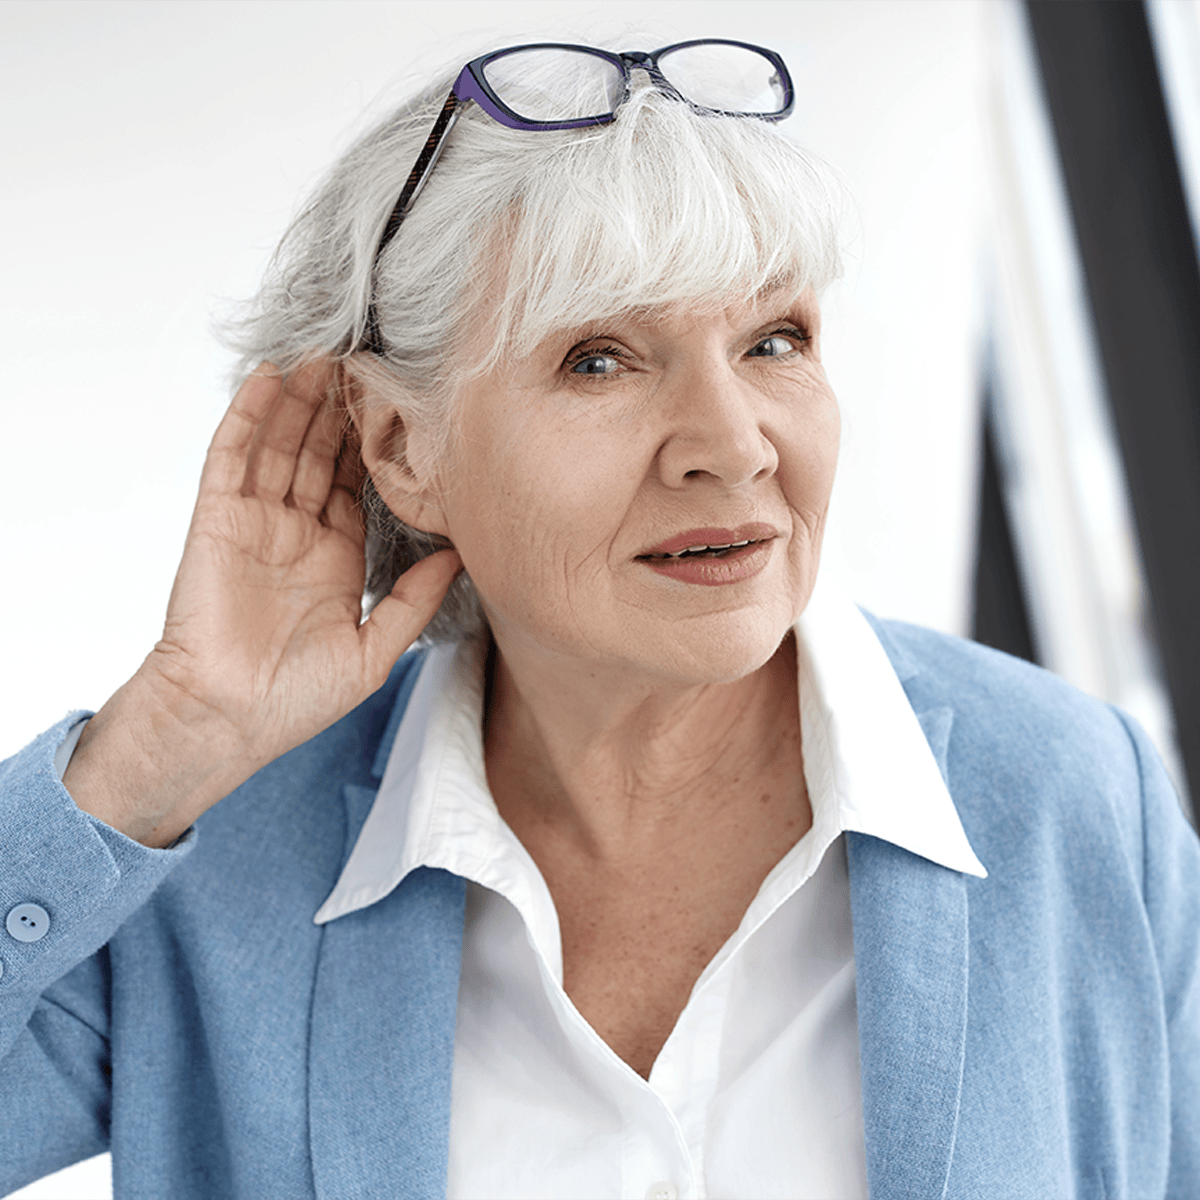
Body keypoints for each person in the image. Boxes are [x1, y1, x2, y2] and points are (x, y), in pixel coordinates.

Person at [1, 37, 1197, 1200]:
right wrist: (167, 737)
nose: (732, 446)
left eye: (773, 340)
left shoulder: (1073, 797)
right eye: (600, 360)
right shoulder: (205, 863)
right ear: (402, 448)